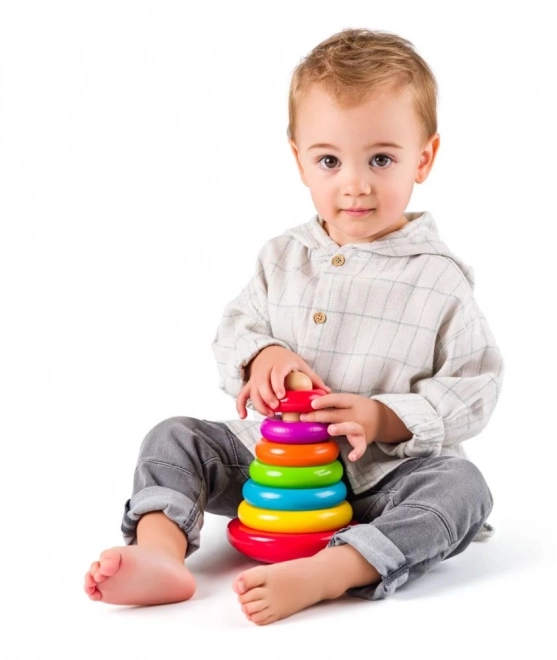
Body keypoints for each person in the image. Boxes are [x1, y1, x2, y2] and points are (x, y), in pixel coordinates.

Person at [84, 27, 504, 625]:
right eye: (330, 160)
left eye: (381, 159)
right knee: (174, 437)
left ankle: (339, 568)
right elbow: (236, 326)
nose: (354, 183)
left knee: (463, 487)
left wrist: (384, 416)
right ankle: (159, 551)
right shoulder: (282, 257)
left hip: (382, 478)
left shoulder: (440, 280)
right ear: (299, 160)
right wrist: (262, 355)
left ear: (424, 158)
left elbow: (476, 385)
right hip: (273, 470)